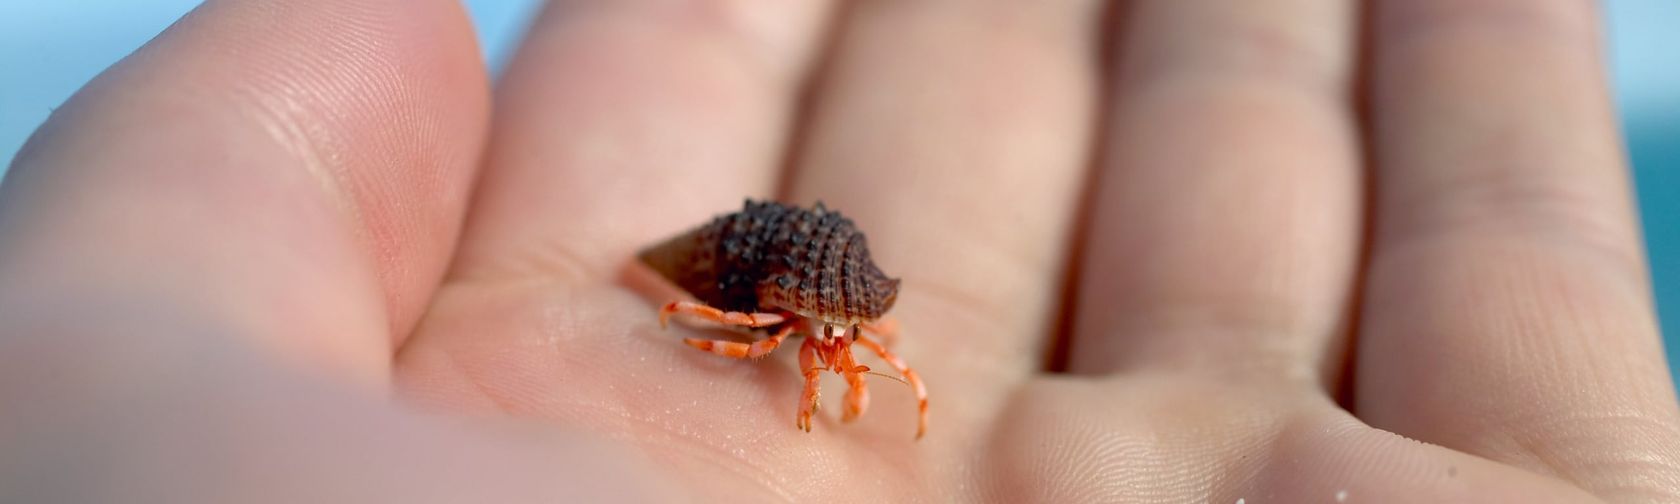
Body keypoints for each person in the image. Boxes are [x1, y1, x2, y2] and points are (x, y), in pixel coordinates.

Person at [1, 0, 1673, 501]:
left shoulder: (844, 327)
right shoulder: (778, 309)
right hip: (720, 262)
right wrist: (720, 329)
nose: (853, 360)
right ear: (815, 319)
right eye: (836, 342)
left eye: (839, 341)